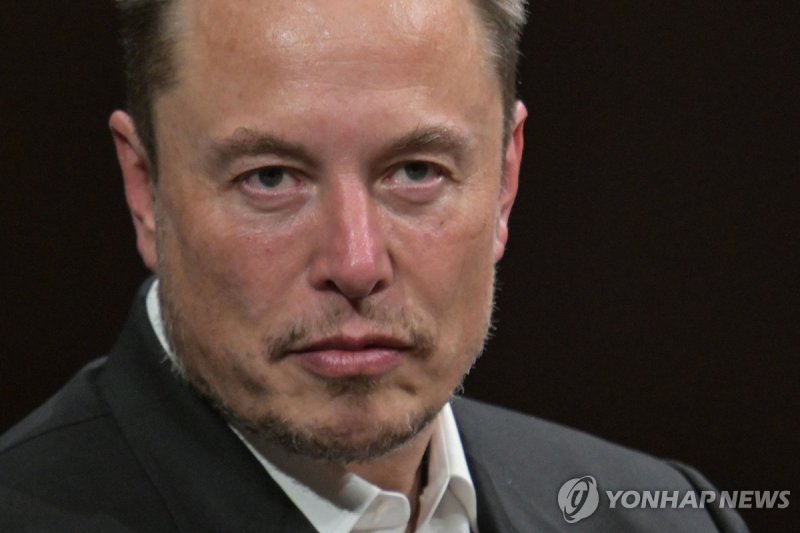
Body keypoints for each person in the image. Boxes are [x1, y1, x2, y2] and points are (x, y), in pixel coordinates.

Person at [0, 1, 748, 531]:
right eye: (270, 177)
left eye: (416, 171)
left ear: (505, 182)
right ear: (145, 190)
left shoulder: (658, 513)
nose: (355, 263)